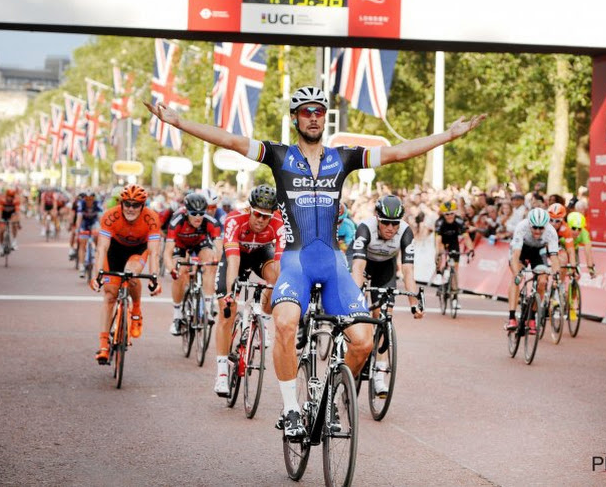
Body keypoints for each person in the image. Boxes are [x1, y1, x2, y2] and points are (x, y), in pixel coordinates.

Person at [145, 85, 485, 439]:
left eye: (319, 111)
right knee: (286, 324)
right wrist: (179, 122)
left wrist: (448, 135)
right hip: (296, 262)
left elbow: (398, 152)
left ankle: (334, 399)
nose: (313, 117)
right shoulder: (277, 155)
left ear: (325, 118)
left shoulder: (344, 158)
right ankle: (291, 409)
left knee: (364, 342)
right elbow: (230, 141)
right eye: (305, 111)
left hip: (334, 264)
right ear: (295, 118)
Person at [214, 184, 284, 395]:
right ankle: (222, 373)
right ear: (249, 209)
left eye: (266, 216)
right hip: (236, 256)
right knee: (228, 310)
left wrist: (278, 287)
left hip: (261, 254)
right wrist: (230, 291)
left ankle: (263, 318)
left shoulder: (279, 223)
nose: (261, 220)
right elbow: (233, 259)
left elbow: (280, 263)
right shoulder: (235, 220)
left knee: (277, 279)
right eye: (257, 214)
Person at [351, 195, 423, 395]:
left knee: (384, 317)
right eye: (386, 223)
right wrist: (356, 298)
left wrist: (414, 303)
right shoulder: (365, 228)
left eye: (395, 223)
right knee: (359, 312)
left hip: (386, 268)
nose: (391, 228)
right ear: (377, 218)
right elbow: (357, 267)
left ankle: (379, 376)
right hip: (364, 263)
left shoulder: (406, 232)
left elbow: (408, 271)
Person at [90, 184, 163, 363]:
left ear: (143, 206)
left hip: (137, 250)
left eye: (136, 205)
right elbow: (102, 247)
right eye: (127, 204)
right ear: (121, 203)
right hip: (114, 250)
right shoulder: (110, 216)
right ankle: (103, 346)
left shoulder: (151, 218)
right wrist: (97, 275)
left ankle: (136, 309)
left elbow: (154, 252)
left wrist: (154, 278)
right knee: (110, 295)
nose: (130, 208)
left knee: (131, 274)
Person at [165, 193, 223, 336]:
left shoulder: (210, 221)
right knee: (181, 271)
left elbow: (219, 248)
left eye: (201, 213)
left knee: (211, 263)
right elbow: (167, 252)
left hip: (200, 243)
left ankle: (207, 309)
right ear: (186, 211)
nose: (198, 217)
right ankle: (177, 316)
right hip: (180, 245)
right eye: (193, 213)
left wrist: (218, 262)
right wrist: (171, 269)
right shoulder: (177, 221)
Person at [505, 208, 560, 333]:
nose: (537, 231)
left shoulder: (551, 232)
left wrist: (556, 275)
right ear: (529, 224)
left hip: (538, 252)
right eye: (534, 227)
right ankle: (512, 318)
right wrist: (517, 274)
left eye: (541, 228)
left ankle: (532, 317)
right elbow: (515, 255)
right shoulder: (521, 227)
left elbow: (554, 257)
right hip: (521, 250)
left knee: (543, 281)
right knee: (516, 279)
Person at [431, 200, 475, 311]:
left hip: (453, 242)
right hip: (441, 240)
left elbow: (466, 237)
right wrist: (439, 252)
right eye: (447, 214)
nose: (450, 216)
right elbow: (438, 241)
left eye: (451, 213)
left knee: (455, 269)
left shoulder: (459, 221)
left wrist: (471, 249)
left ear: (455, 213)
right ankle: (439, 273)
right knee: (440, 253)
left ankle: (455, 298)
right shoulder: (439, 222)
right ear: (443, 214)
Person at [75, 191, 103, 278]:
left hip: (94, 223)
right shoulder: (81, 204)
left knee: (98, 237)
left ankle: (96, 253)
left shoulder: (97, 204)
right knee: (82, 244)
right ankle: (82, 266)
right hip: (84, 223)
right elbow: (79, 219)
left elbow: (101, 219)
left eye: (91, 199)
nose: (89, 201)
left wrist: (102, 230)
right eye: (87, 199)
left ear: (93, 199)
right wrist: (77, 230)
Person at [0, 188, 21, 254]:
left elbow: (17, 212)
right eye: (9, 196)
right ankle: (1, 247)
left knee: (14, 224)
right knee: (1, 230)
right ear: (6, 196)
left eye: (11, 197)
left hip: (12, 215)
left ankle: (14, 241)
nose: (10, 198)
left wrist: (18, 222)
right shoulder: (2, 200)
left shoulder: (16, 201)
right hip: (3, 215)